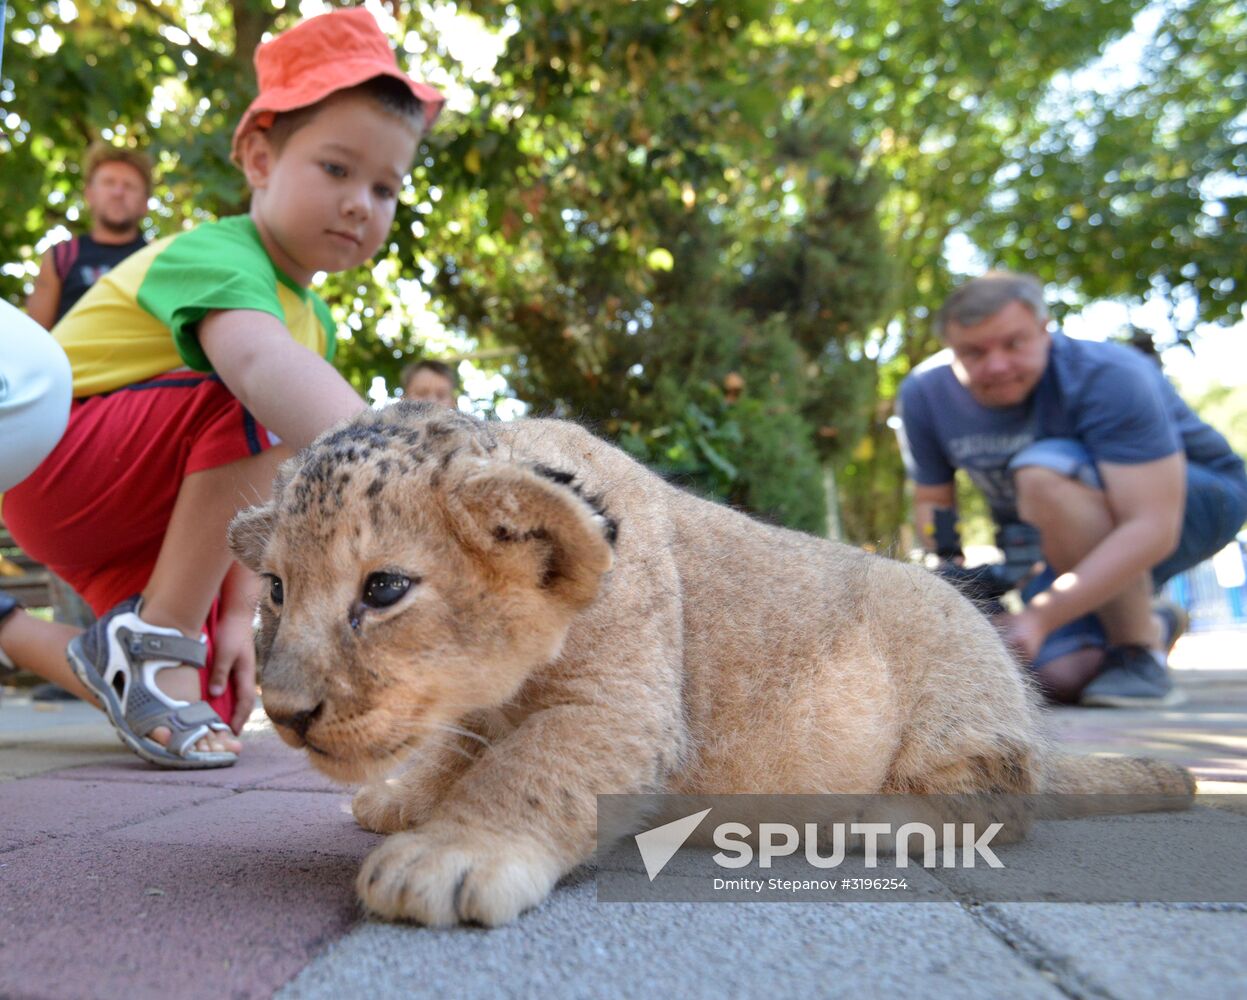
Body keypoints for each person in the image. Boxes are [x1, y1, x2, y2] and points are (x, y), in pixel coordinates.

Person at [0, 7, 444, 767]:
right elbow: (258, 377)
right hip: (63, 462)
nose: (358, 204)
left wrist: (236, 620)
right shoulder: (221, 255)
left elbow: (262, 490)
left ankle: (44, 636)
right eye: (336, 169)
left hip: (128, 504)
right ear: (259, 158)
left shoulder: (312, 321)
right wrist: (416, 466)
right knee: (268, 399)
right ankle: (156, 635)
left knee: (199, 677)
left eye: (385, 188)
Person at [895, 272, 1247, 707]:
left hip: (1196, 503)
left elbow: (1154, 525)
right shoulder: (924, 394)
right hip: (1059, 531)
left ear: (1045, 330)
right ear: (950, 347)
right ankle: (1153, 621)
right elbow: (934, 501)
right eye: (974, 352)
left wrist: (1040, 616)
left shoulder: (1108, 374)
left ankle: (1138, 651)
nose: (997, 365)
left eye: (1013, 344)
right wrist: (958, 583)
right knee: (1056, 675)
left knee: (1042, 472)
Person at [26, 144, 153, 330]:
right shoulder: (61, 256)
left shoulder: (158, 258)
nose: (118, 193)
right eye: (109, 182)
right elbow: (34, 337)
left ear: (145, 203)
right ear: (89, 194)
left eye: (129, 186)